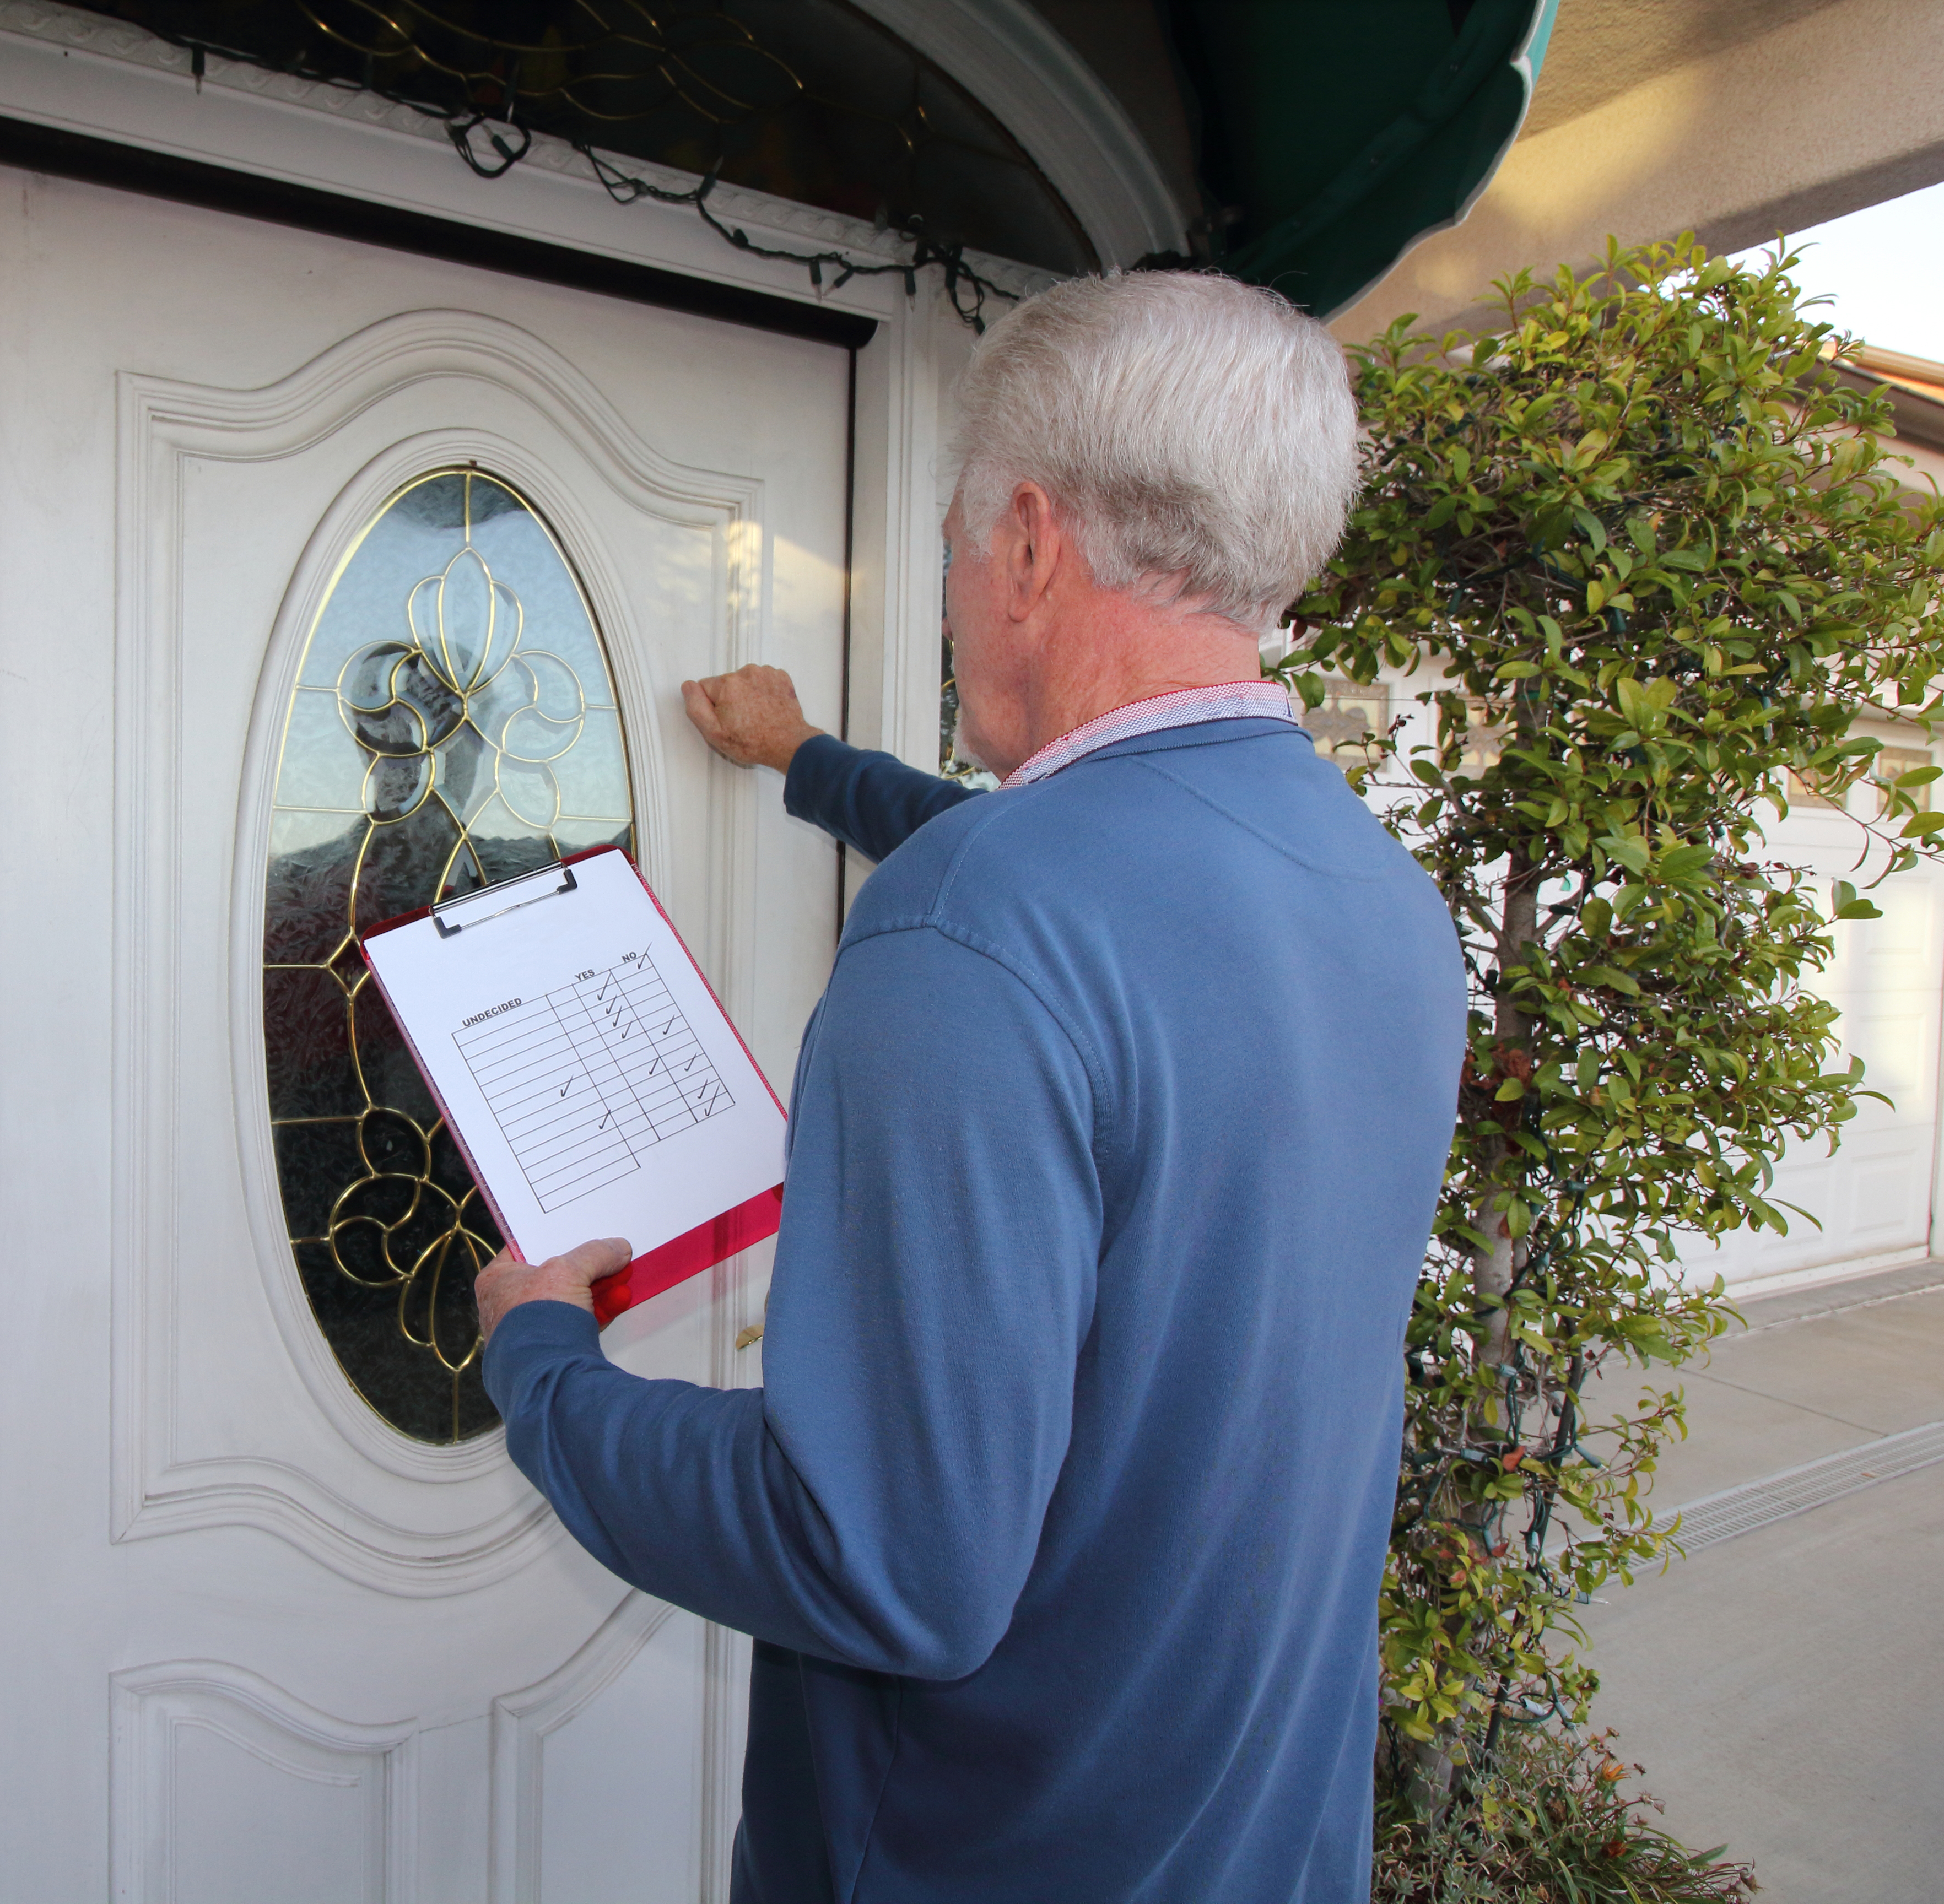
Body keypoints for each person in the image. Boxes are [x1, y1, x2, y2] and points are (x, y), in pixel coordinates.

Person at [473, 272, 1465, 1902]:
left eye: (947, 548)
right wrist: (810, 766)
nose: (950, 590)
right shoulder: (1372, 893)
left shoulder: (974, 934)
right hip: (1262, 1844)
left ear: (1024, 541)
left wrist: (547, 1373)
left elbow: (879, 1562)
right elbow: (1115, 902)